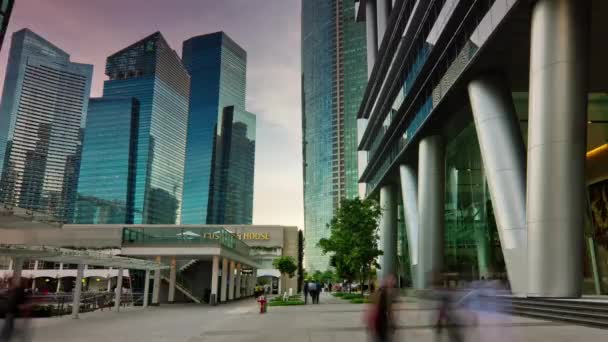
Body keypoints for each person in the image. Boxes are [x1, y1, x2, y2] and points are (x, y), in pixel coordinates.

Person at [367, 275, 396, 342]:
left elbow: (389, 310)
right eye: (392, 283)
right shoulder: (382, 293)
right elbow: (373, 308)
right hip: (380, 323)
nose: (393, 285)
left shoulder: (381, 293)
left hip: (381, 323)